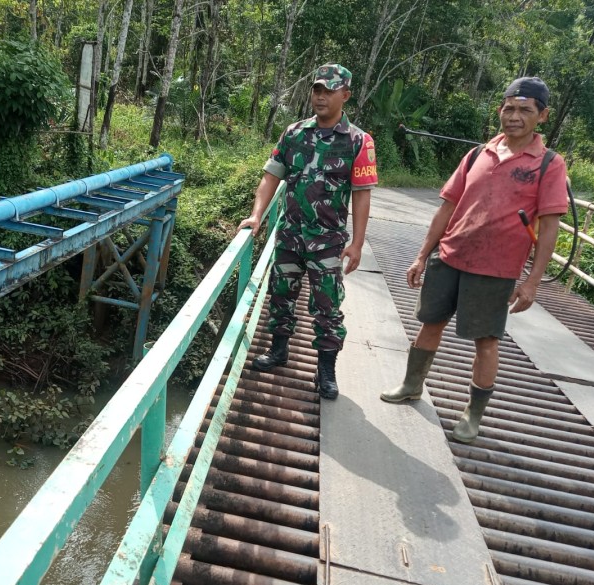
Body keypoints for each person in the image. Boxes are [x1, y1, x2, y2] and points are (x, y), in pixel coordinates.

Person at [380, 76, 568, 443]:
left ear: (542, 116)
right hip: (450, 255)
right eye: (509, 109)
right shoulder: (478, 153)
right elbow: (447, 207)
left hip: (496, 270)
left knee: (486, 340)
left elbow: (549, 228)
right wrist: (422, 255)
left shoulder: (549, 164)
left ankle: (473, 414)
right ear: (500, 110)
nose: (514, 116)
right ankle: (411, 385)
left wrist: (532, 283)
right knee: (430, 323)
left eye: (525, 110)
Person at [239, 63, 378, 400]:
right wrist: (257, 216)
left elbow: (361, 194)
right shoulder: (294, 133)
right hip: (290, 234)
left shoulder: (359, 141)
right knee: (281, 295)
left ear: (345, 95)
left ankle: (326, 371)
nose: (321, 96)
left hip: (327, 242)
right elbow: (271, 176)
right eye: (317, 89)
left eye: (329, 91)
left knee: (327, 306)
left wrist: (357, 243)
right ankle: (278, 350)